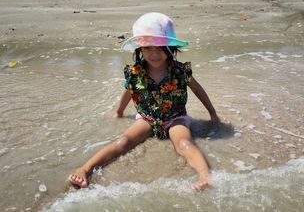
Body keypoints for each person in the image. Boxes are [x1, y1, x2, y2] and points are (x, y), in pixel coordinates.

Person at [68, 12, 220, 191]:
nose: (154, 54)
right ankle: (85, 169)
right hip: (146, 118)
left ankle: (204, 175)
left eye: (159, 48)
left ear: (170, 47)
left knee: (184, 144)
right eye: (148, 48)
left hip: (176, 118)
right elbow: (129, 91)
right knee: (123, 141)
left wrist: (213, 114)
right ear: (140, 49)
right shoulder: (135, 72)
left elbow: (198, 90)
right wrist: (119, 111)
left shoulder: (180, 70)